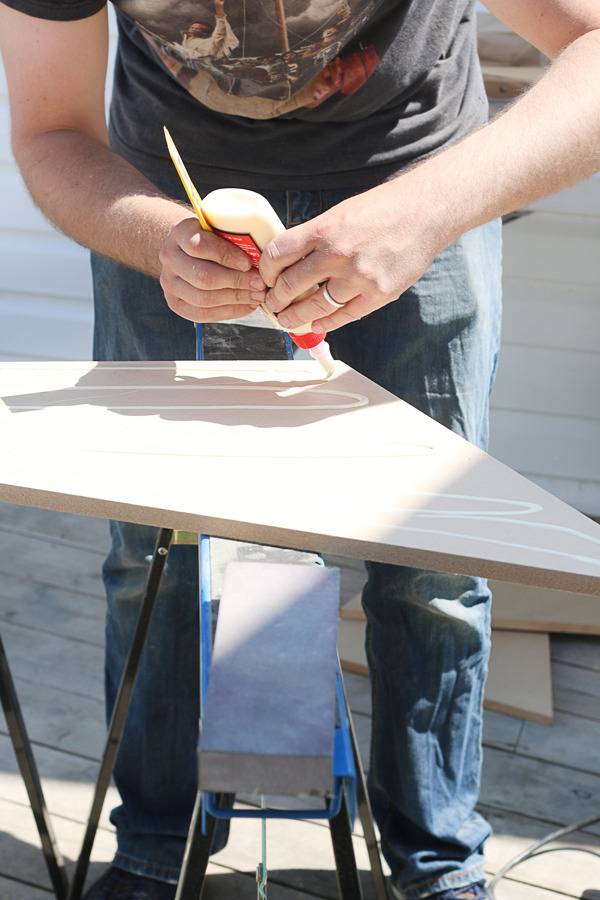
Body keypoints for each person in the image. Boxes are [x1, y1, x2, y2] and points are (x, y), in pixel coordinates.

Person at [1, 1, 599, 899]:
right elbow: (52, 131)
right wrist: (156, 240)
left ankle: (437, 863)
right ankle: (157, 843)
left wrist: (425, 212)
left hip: (417, 185)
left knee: (434, 564)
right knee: (153, 551)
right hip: (171, 207)